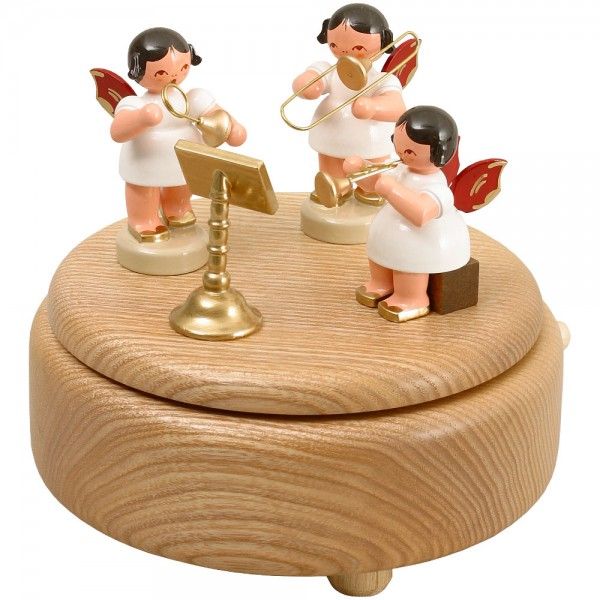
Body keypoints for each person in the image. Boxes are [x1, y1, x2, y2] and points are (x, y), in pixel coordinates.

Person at [111, 27, 246, 242]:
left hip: (183, 157)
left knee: (181, 184)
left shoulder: (190, 98)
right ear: (138, 69)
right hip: (145, 160)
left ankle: (177, 208)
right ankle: (143, 219)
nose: (174, 76)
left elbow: (214, 112)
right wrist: (141, 118)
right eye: (161, 72)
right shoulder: (135, 103)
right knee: (143, 189)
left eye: (183, 67)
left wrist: (231, 127)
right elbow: (117, 131)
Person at [344, 106, 470, 322]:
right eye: (398, 146)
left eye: (410, 152)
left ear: (438, 152)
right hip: (389, 235)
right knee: (382, 258)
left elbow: (421, 213)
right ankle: (381, 283)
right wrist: (360, 170)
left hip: (422, 242)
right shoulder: (400, 170)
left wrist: (391, 189)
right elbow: (375, 183)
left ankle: (412, 298)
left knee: (410, 262)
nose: (402, 155)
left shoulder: (438, 188)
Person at [292, 3, 405, 207]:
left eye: (359, 48)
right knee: (330, 166)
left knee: (371, 171)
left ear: (384, 42)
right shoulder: (328, 71)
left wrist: (373, 107)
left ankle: (371, 190)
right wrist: (307, 85)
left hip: (369, 139)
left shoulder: (383, 80)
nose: (345, 51)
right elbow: (313, 79)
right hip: (331, 132)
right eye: (335, 45)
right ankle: (334, 187)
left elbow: (397, 107)